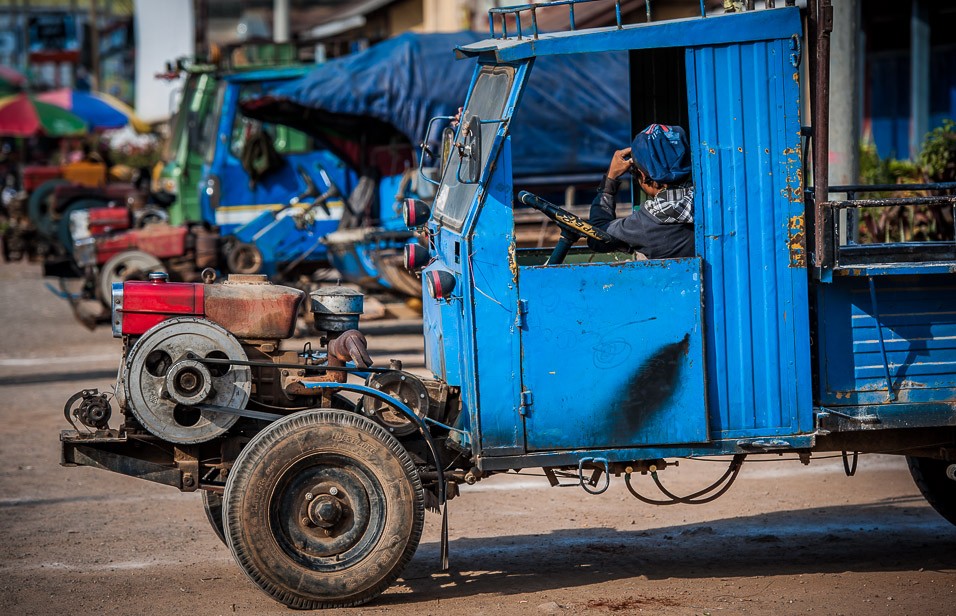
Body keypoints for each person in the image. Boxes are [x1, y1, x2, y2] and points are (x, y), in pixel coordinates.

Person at [588, 123, 695, 259]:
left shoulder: (646, 223)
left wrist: (610, 179)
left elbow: (596, 237)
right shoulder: (707, 200)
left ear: (643, 176)